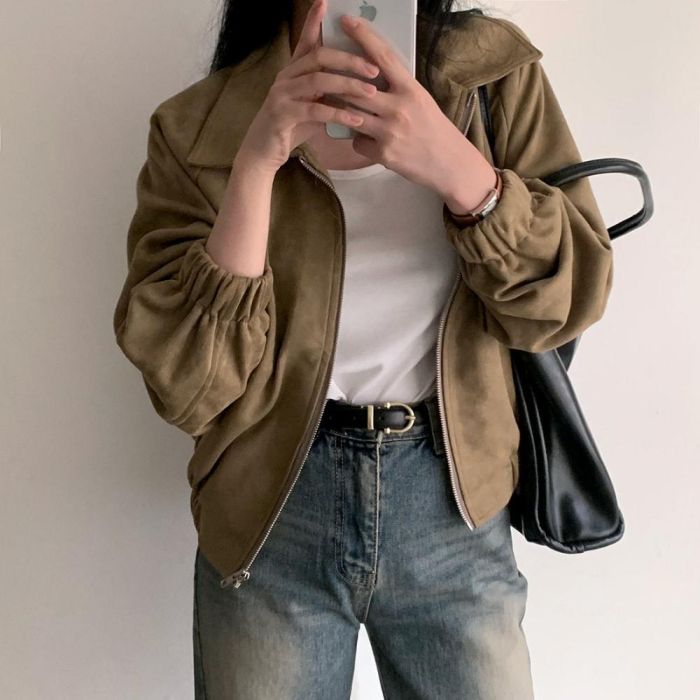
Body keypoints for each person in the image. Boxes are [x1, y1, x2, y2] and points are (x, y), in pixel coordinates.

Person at [112, 0, 614, 697]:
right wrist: (256, 160)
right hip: (270, 515)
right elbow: (187, 385)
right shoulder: (197, 126)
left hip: (454, 501)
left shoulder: (490, 77)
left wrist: (460, 172)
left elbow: (569, 298)